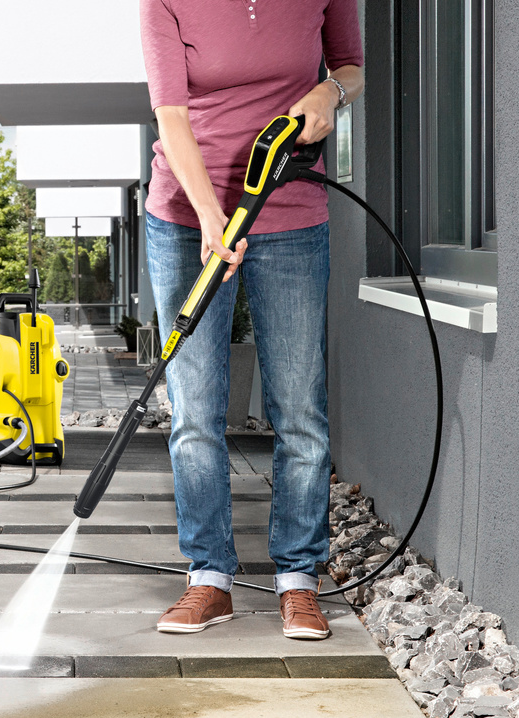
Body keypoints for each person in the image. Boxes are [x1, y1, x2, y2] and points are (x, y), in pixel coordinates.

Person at [140, 0, 363, 639]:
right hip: (187, 217)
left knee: (299, 408)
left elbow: (352, 66)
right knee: (195, 410)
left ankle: (299, 579)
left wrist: (330, 89)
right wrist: (213, 218)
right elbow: (171, 114)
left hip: (290, 208)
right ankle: (209, 577)